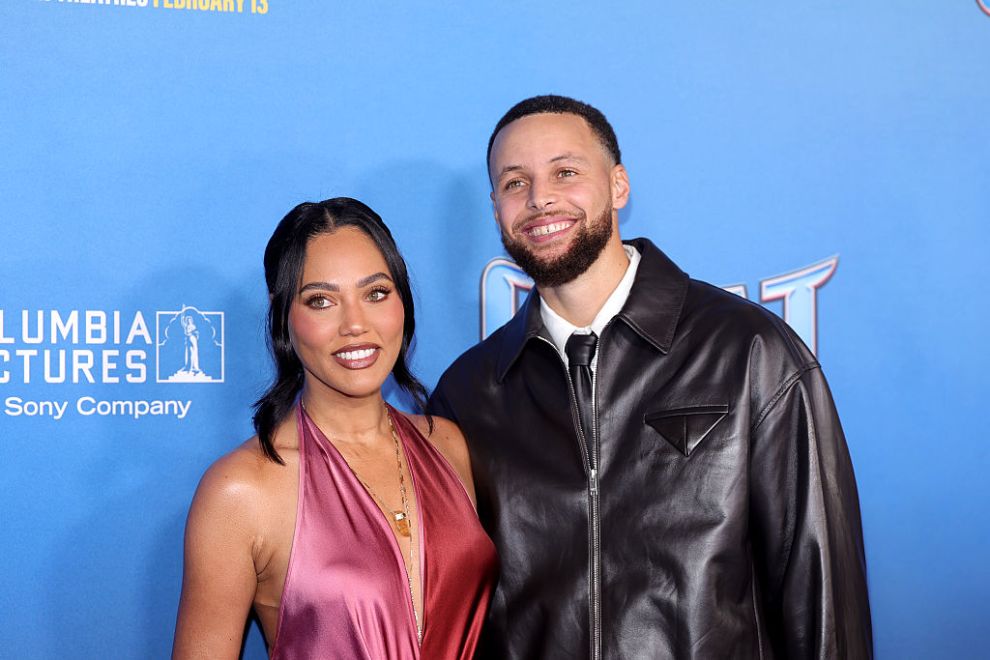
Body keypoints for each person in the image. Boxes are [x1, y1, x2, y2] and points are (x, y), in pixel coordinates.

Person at [428, 95, 872, 659]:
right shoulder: (467, 395)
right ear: (496, 210)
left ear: (618, 186)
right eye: (515, 183)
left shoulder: (749, 352)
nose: (540, 198)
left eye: (566, 172)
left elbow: (822, 594)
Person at [173, 198, 496, 659]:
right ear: (283, 313)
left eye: (376, 293)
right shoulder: (241, 491)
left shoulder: (447, 444)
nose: (356, 325)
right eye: (321, 301)